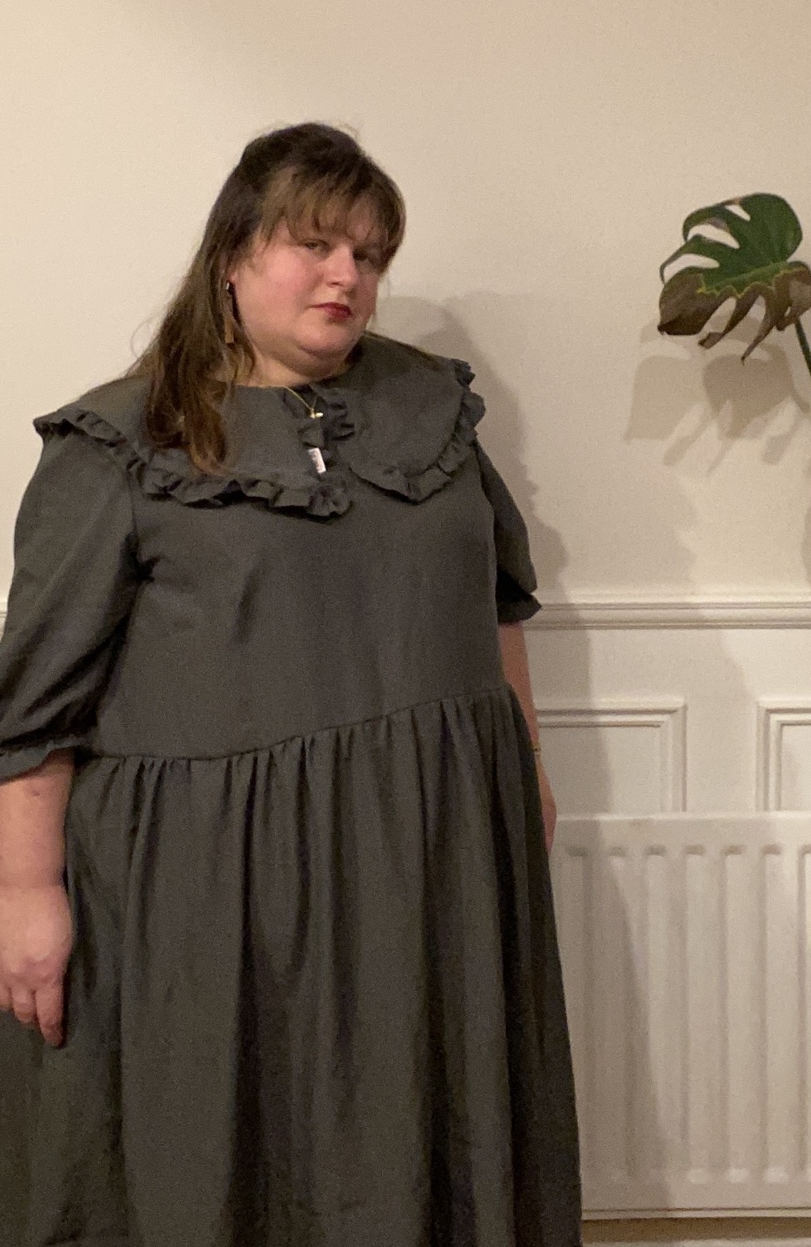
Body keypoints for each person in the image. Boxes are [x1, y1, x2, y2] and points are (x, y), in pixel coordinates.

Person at [0, 122, 582, 1247]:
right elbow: (35, 702)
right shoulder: (120, 442)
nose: (345, 276)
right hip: (210, 891)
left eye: (368, 255)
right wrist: (25, 892)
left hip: (433, 857)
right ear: (233, 253)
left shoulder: (430, 409)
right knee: (220, 1162)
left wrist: (529, 773)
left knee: (428, 1147)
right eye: (314, 245)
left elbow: (494, 603)